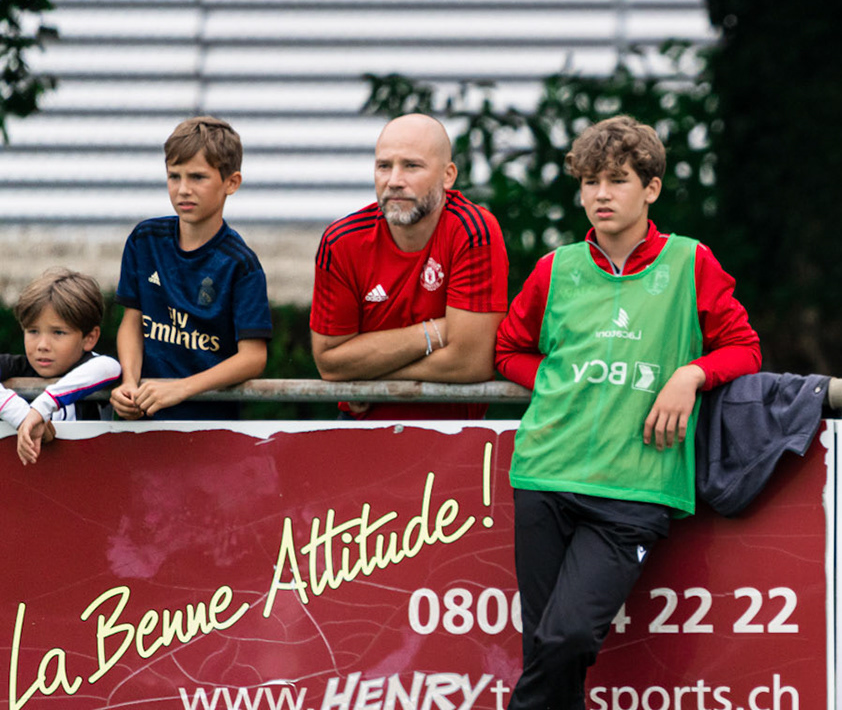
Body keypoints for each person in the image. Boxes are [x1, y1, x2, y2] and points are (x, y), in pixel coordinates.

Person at [441, 115, 761, 710]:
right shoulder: (557, 270)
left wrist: (692, 372)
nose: (601, 195)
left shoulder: (689, 263)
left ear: (650, 188)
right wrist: (555, 386)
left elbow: (743, 346)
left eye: (617, 180)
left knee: (569, 633)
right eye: (590, 182)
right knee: (552, 648)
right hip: (546, 470)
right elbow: (512, 351)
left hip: (635, 488)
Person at [309, 113, 507, 421]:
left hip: (455, 434)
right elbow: (330, 364)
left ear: (448, 175)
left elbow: (472, 362)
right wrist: (435, 332)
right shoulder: (341, 241)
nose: (394, 181)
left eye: (411, 166)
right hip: (361, 431)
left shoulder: (473, 231)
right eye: (384, 166)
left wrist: (372, 381)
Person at [110, 116, 271, 422]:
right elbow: (132, 322)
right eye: (174, 176)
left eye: (197, 177)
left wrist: (181, 389)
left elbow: (253, 358)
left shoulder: (241, 264)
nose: (183, 189)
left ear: (231, 183)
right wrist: (129, 383)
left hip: (211, 431)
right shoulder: (144, 240)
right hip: (142, 424)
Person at [1, 268, 123, 465]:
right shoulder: (17, 366)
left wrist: (42, 408)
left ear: (89, 338)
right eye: (33, 331)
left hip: (87, 479)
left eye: (58, 333)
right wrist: (21, 415)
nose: (42, 345)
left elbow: (110, 367)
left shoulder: (91, 366)